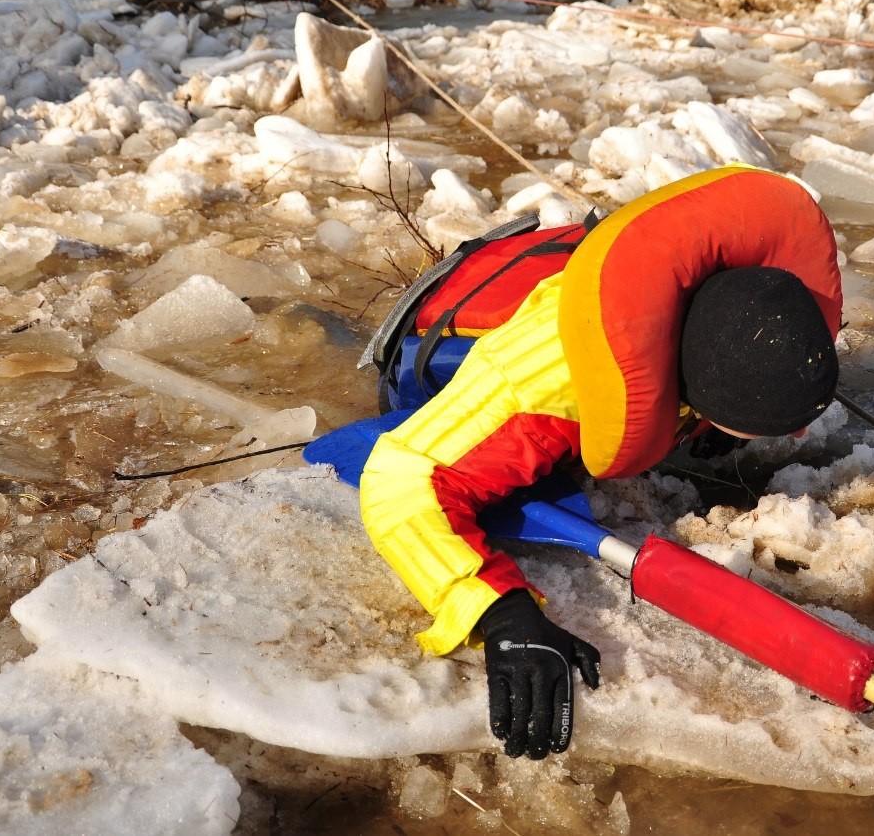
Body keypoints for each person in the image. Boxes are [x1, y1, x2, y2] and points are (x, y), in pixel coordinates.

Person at [357, 165, 842, 760]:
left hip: (591, 293)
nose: (789, 435)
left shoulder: (751, 300)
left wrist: (718, 416)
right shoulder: (540, 392)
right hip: (455, 342)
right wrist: (500, 613)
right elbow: (399, 479)